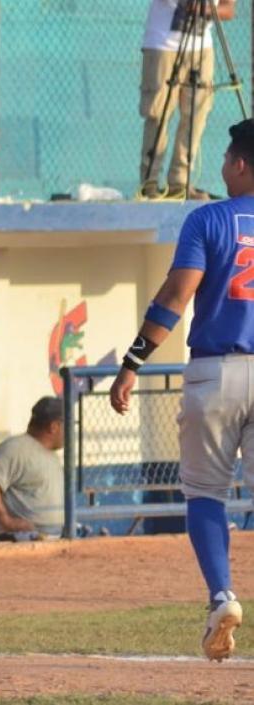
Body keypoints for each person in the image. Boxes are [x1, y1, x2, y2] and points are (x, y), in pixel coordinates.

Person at [110, 118, 254, 662]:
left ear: (241, 163)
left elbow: (177, 293)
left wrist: (132, 362)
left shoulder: (208, 219)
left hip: (215, 371)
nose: (221, 167)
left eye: (225, 159)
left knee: (204, 494)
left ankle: (221, 596)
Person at [139, 0, 237, 200]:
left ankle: (180, 183)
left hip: (202, 48)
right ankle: (150, 183)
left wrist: (208, 9)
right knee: (158, 114)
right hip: (164, 45)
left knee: (195, 116)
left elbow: (228, 10)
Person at [0, 396, 65, 542]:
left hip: (42, 539)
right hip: (10, 539)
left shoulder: (51, 455)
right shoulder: (16, 447)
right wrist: (6, 520)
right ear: (53, 426)